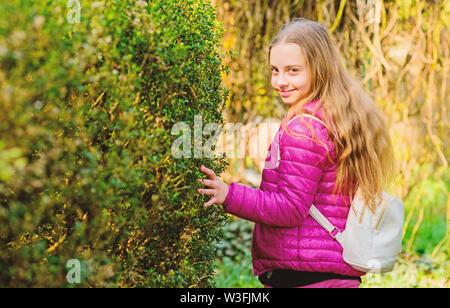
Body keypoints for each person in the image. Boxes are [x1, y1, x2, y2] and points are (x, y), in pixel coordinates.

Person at [197, 18, 395, 288]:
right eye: (274, 70)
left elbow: (290, 208)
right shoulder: (337, 117)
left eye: (293, 71)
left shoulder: (305, 127)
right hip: (331, 273)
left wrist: (228, 195)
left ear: (319, 68)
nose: (280, 81)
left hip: (304, 276)